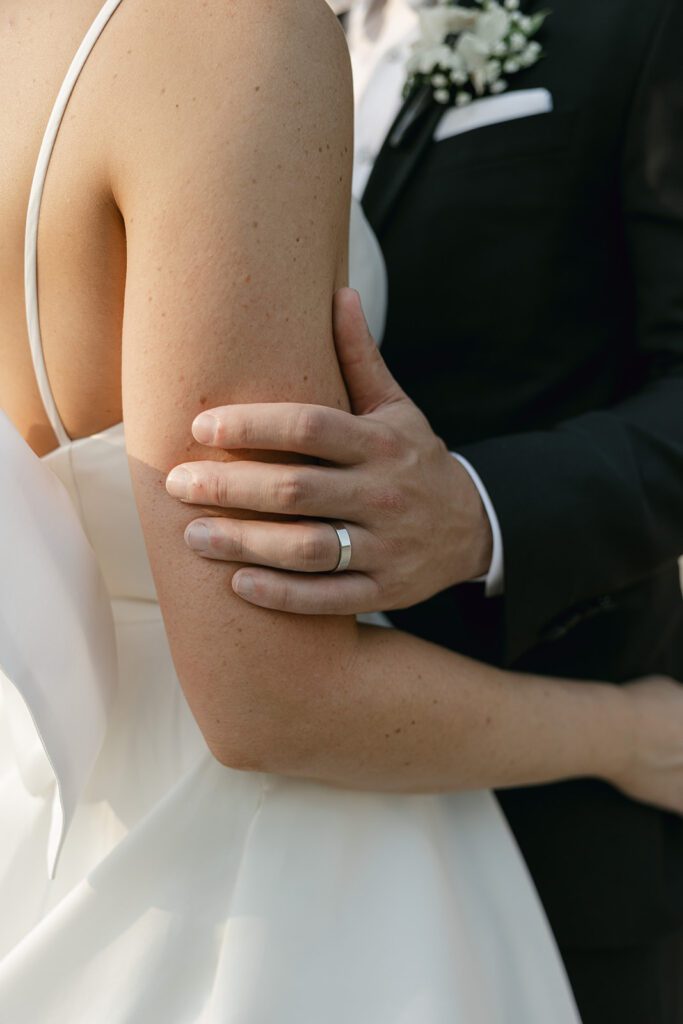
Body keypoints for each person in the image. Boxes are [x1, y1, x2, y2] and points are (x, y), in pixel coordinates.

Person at [0, 0, 681, 1020]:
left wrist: (486, 509)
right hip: (311, 840)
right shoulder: (236, 29)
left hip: (58, 811)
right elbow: (269, 695)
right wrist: (630, 733)